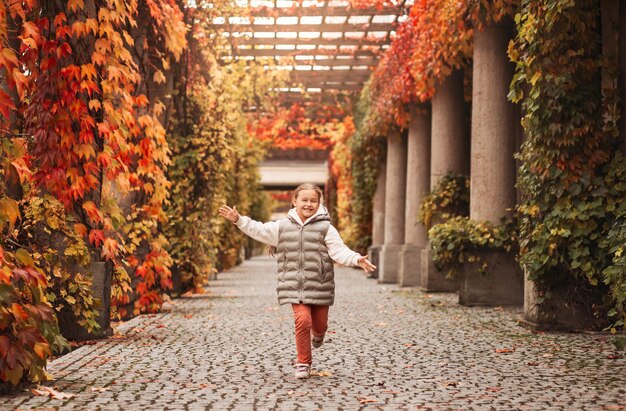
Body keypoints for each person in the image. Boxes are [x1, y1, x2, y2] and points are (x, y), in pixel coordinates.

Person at [218, 183, 376, 379]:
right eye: (304, 200)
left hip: (320, 285)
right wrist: (238, 220)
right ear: (294, 201)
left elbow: (339, 251)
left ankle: (318, 335)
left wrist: (356, 259)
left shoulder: (326, 228)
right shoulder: (281, 227)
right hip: (294, 285)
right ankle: (303, 362)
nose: (309, 204)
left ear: (319, 204)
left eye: (313, 201)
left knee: (319, 326)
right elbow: (259, 230)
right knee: (302, 321)